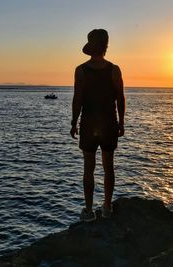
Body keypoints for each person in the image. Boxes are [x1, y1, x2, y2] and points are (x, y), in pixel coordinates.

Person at [70, 29, 125, 222]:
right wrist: (121, 122)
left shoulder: (81, 70)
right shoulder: (114, 69)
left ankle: (88, 210)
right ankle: (107, 207)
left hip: (89, 124)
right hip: (109, 123)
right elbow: (120, 98)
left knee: (88, 168)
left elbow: (78, 99)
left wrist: (74, 122)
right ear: (105, 46)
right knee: (108, 167)